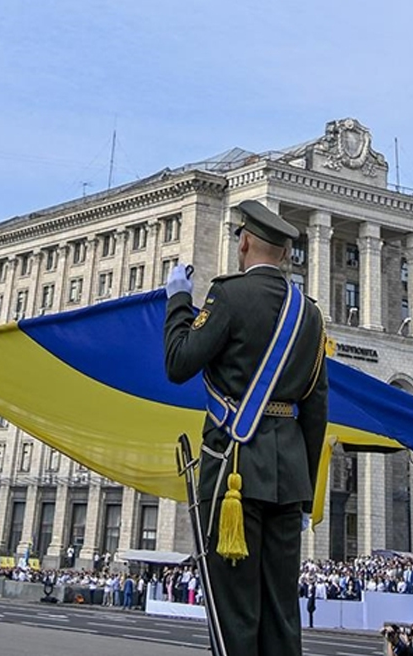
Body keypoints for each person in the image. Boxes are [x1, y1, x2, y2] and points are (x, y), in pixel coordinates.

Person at [164, 199, 328, 656]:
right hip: (290, 477)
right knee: (281, 611)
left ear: (246, 242)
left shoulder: (228, 295)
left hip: (234, 470)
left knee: (235, 609)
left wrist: (178, 301)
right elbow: (316, 408)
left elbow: (179, 363)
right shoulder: (310, 314)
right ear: (285, 254)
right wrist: (306, 486)